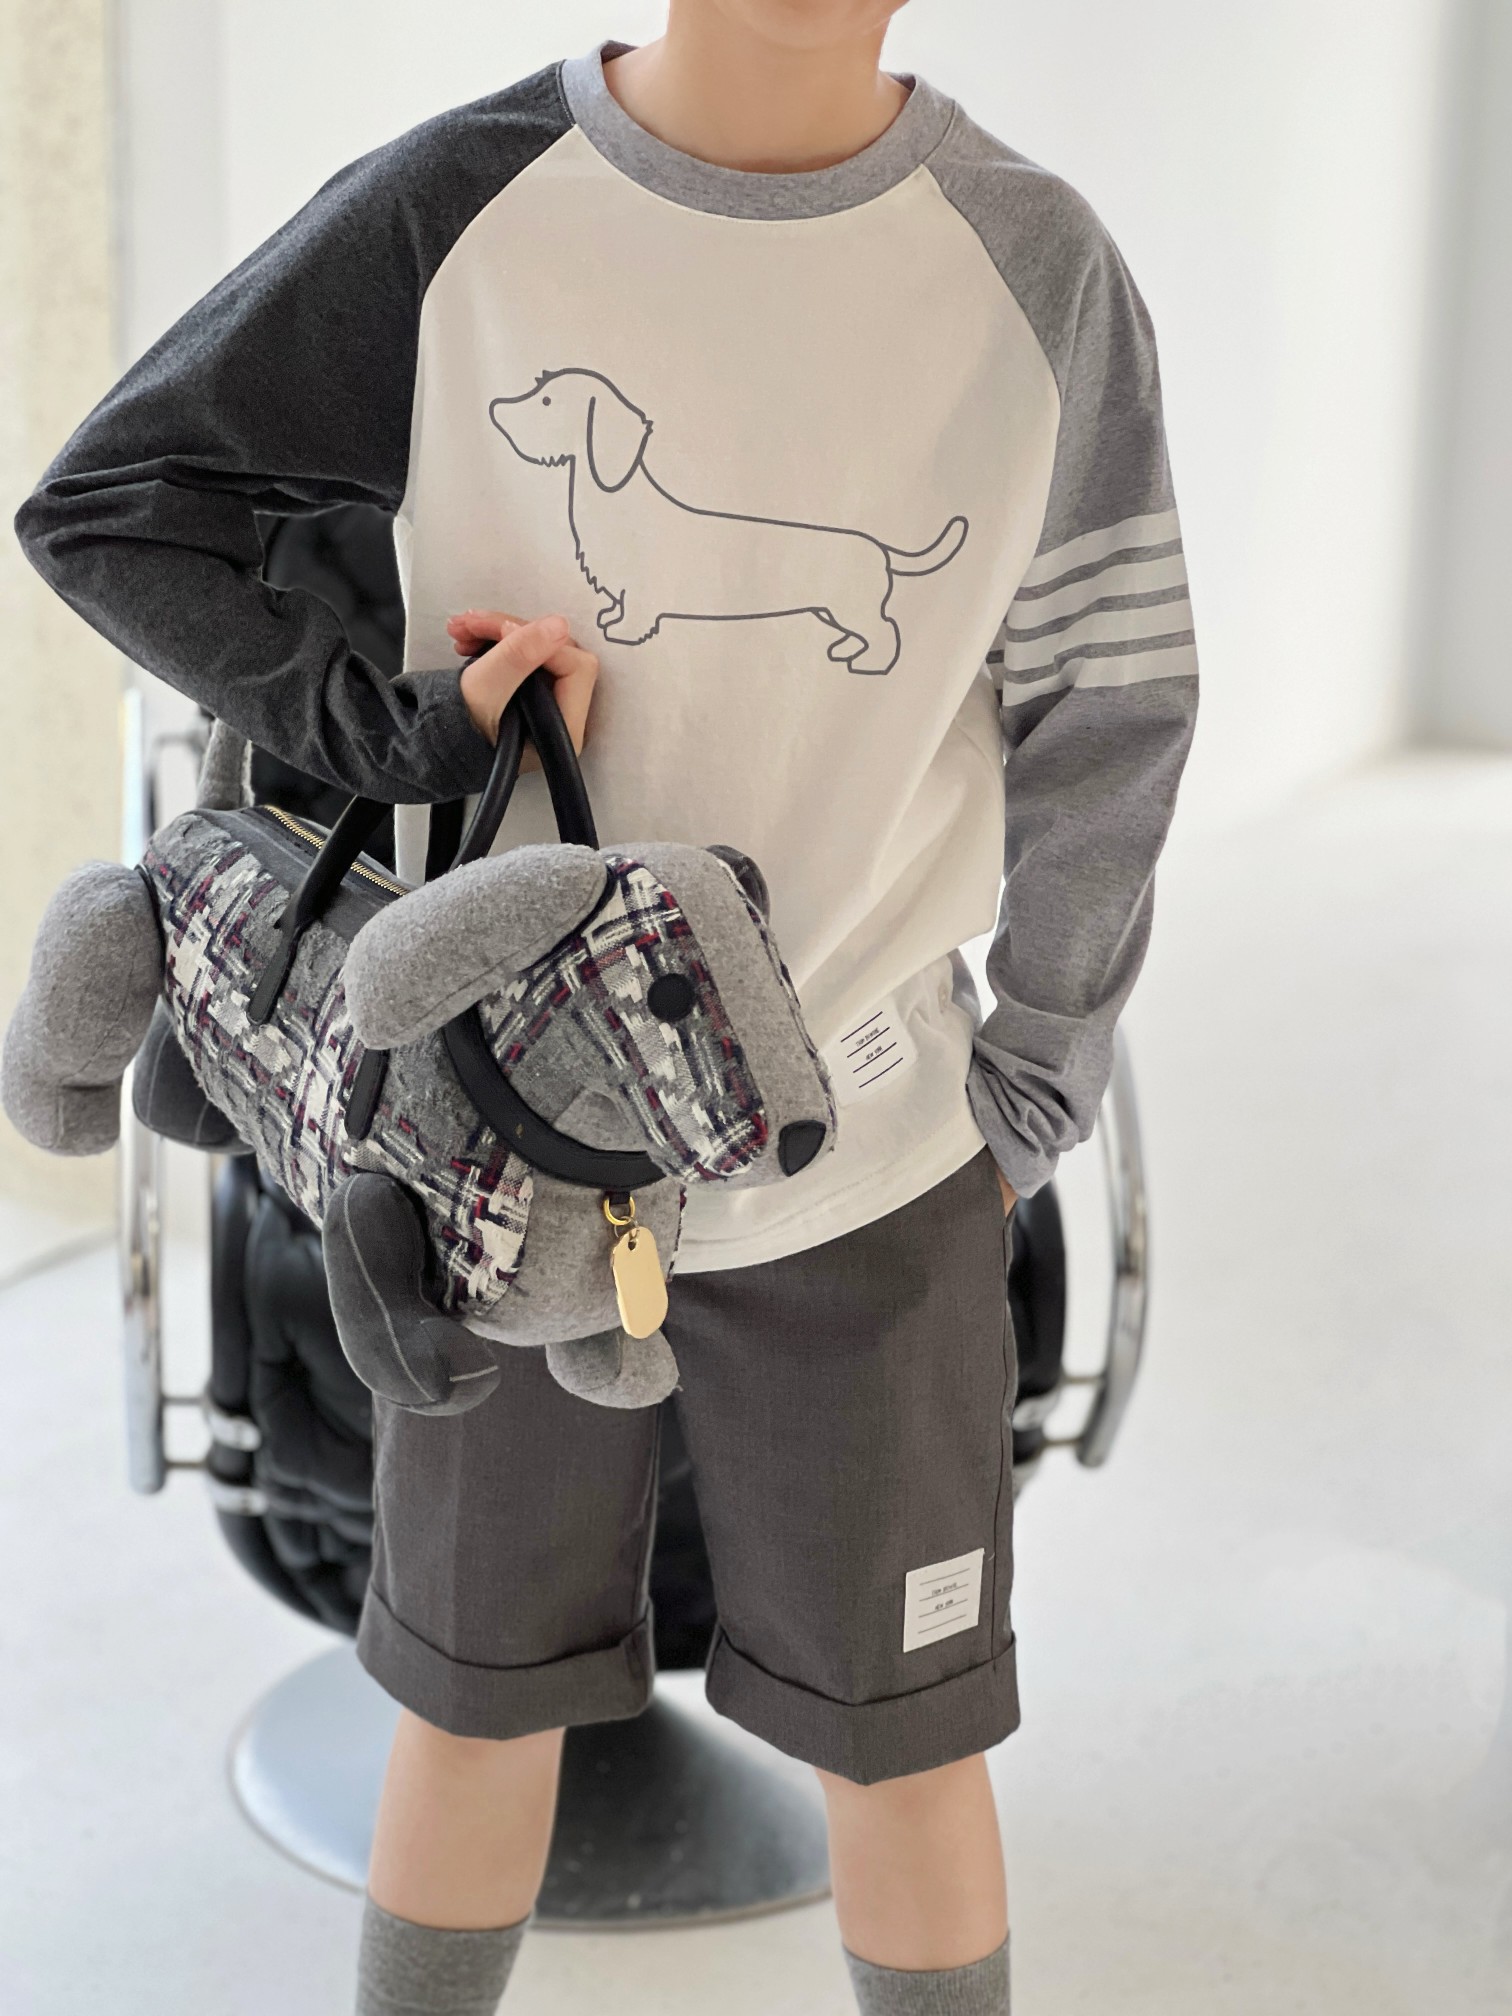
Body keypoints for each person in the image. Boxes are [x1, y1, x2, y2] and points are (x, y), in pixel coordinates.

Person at [14, 3, 1199, 2010]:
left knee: (905, 1745)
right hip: (486, 1179)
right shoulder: (459, 207)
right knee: (469, 1711)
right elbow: (114, 505)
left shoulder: (1040, 270)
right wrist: (389, 726)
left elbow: (1118, 701)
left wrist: (1039, 1077)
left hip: (873, 1170)